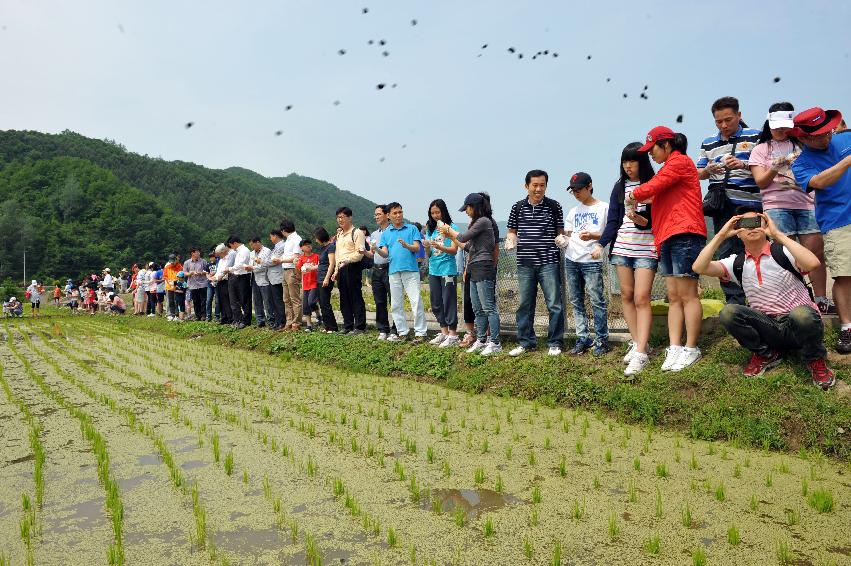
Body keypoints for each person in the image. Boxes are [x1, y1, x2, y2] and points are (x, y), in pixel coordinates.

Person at [692, 211, 834, 389]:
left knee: (801, 314)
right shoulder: (736, 263)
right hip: (768, 328)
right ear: (737, 231)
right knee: (728, 312)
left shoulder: (783, 252)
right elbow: (699, 267)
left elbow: (813, 263)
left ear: (766, 225)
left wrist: (777, 235)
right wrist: (721, 235)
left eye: (756, 221)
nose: (751, 227)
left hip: (798, 325)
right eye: (744, 223)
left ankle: (815, 359)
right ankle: (766, 354)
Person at [628, 126, 707, 372]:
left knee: (688, 295)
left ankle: (691, 348)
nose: (649, 154)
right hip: (667, 235)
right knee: (673, 296)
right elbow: (655, 193)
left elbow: (649, 188)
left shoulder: (680, 162)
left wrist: (634, 194)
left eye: (652, 149)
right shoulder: (668, 169)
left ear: (666, 145)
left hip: (685, 232)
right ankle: (674, 347)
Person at [749, 103, 831, 314]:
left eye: (785, 126)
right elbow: (760, 182)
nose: (781, 130)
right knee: (784, 255)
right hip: (776, 205)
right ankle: (792, 300)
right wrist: (776, 166)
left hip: (807, 203)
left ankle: (821, 298)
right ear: (769, 124)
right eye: (776, 126)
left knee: (814, 254)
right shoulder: (760, 149)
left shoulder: (804, 145)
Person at [791, 107, 851, 353]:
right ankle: (848, 328)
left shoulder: (845, 138)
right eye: (819, 135)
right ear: (803, 138)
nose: (826, 137)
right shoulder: (802, 164)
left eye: (828, 132)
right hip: (838, 221)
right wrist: (847, 161)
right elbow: (819, 182)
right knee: (844, 275)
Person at [594, 142, 657, 375]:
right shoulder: (619, 187)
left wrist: (643, 222)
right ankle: (639, 343)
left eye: (633, 161)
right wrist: (601, 244)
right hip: (621, 247)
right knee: (627, 296)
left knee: (642, 297)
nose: (629, 166)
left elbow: (654, 219)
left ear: (643, 162)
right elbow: (613, 221)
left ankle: (641, 353)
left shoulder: (652, 184)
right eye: (625, 161)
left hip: (646, 248)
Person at [696, 96, 762, 305]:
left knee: (755, 250)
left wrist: (743, 165)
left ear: (739, 115)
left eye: (728, 120)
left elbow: (766, 168)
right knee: (725, 253)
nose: (724, 125)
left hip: (750, 205)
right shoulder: (708, 142)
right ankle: (735, 302)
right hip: (722, 205)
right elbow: (698, 173)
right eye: (718, 121)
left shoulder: (756, 137)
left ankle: (760, 298)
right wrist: (708, 170)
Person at [505, 169, 565, 357]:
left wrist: (562, 239)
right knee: (524, 304)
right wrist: (511, 239)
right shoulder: (518, 207)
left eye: (542, 185)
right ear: (526, 186)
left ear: (546, 186)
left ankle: (555, 342)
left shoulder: (554, 206)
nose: (538, 189)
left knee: (554, 304)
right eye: (535, 185)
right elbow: (512, 230)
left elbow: (560, 231)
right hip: (524, 263)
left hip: (549, 262)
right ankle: (526, 342)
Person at [441, 193, 502, 355]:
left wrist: (449, 230)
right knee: (477, 308)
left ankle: (495, 342)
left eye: (467, 208)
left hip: (484, 266)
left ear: (474, 207)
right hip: (474, 267)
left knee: (489, 307)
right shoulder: (477, 223)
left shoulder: (483, 221)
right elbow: (466, 245)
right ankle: (481, 340)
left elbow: (462, 236)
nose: (466, 212)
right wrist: (450, 236)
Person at [561, 172, 610, 355]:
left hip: (592, 259)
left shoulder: (604, 208)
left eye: (579, 189)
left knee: (597, 300)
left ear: (589, 186)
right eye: (573, 191)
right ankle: (583, 338)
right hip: (572, 259)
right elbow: (568, 234)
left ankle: (602, 340)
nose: (576, 193)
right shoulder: (574, 211)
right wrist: (562, 240)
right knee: (576, 301)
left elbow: (611, 232)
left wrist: (593, 236)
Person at [375, 202, 427, 342]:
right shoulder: (386, 233)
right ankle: (402, 332)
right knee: (396, 304)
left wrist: (406, 245)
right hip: (393, 271)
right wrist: (376, 249)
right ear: (389, 216)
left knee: (416, 301)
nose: (398, 215)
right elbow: (385, 254)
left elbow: (417, 248)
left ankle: (420, 333)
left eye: (400, 212)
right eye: (395, 213)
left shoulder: (411, 229)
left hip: (411, 270)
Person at [423, 199, 460, 347]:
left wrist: (439, 246)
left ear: (443, 212)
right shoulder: (430, 229)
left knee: (448, 301)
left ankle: (453, 334)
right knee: (436, 302)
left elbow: (454, 250)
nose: (435, 215)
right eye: (432, 213)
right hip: (434, 270)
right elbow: (429, 254)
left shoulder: (451, 227)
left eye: (437, 212)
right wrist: (426, 246)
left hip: (447, 270)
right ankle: (444, 332)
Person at [333, 207, 367, 334]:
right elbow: (337, 254)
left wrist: (348, 260)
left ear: (350, 217)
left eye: (342, 217)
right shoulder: (339, 234)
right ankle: (348, 325)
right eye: (338, 217)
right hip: (341, 268)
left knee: (355, 296)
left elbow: (360, 253)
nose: (339, 220)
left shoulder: (357, 233)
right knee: (344, 298)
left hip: (352, 266)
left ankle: (360, 326)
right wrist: (336, 270)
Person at [363, 205, 394, 340]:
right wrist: (364, 251)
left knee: (394, 300)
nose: (376, 217)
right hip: (376, 269)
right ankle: (383, 329)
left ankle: (396, 328)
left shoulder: (393, 231)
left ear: (387, 215)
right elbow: (372, 254)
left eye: (379, 214)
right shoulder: (374, 234)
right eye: (375, 215)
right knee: (379, 300)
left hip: (390, 268)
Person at [279, 220, 303, 331]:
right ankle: (289, 321)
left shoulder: (297, 239)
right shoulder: (288, 240)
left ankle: (296, 323)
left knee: (295, 298)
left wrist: (281, 260)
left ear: (284, 230)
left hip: (293, 270)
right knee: (286, 298)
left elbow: (296, 257)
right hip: (285, 269)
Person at [314, 227, 339, 333]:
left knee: (325, 303)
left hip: (325, 278)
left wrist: (327, 278)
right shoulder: (323, 248)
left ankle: (333, 327)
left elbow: (331, 264)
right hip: (319, 278)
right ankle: (327, 326)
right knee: (321, 303)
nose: (315, 240)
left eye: (316, 238)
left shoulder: (330, 247)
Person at [243, 237, 273, 328]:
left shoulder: (267, 251)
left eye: (252, 244)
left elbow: (265, 266)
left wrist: (252, 268)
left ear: (258, 242)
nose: (251, 246)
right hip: (254, 278)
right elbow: (251, 265)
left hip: (265, 278)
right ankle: (260, 321)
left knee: (267, 301)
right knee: (256, 301)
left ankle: (271, 320)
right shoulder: (252, 253)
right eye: (250, 245)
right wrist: (248, 267)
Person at [225, 236, 252, 329]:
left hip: (243, 276)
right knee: (234, 300)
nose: (232, 248)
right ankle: (238, 319)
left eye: (231, 246)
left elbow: (240, 265)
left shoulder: (244, 250)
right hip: (235, 276)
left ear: (235, 243)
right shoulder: (238, 251)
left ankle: (246, 320)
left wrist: (229, 269)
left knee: (244, 299)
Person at [295, 239, 321, 331]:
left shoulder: (317, 256)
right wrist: (296, 265)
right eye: (306, 245)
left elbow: (321, 267)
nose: (308, 246)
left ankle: (318, 315)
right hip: (305, 284)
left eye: (309, 244)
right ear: (302, 248)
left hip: (314, 283)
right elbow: (298, 272)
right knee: (306, 305)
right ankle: (309, 326)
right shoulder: (301, 259)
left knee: (312, 302)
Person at [266, 230, 287, 330]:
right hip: (272, 277)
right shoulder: (276, 247)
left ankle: (282, 321)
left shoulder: (282, 246)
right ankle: (278, 320)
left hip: (277, 276)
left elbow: (273, 261)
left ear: (275, 236)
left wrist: (262, 262)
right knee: (274, 300)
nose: (270, 239)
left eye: (271, 236)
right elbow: (270, 260)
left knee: (278, 300)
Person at [210, 243, 234, 325]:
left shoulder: (229, 258)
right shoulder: (220, 261)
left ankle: (230, 318)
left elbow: (225, 271)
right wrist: (214, 278)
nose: (218, 256)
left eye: (219, 254)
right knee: (220, 301)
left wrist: (217, 277)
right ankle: (223, 318)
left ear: (223, 252)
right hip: (219, 282)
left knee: (227, 300)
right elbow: (218, 272)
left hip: (226, 281)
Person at [182, 248, 208, 321]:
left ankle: (203, 315)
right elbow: (184, 273)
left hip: (203, 283)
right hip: (192, 284)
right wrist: (190, 273)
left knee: (203, 300)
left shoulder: (203, 261)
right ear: (192, 253)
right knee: (195, 301)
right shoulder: (187, 262)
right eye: (197, 252)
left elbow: (207, 271)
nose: (198, 253)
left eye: (199, 252)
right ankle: (198, 315)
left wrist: (201, 272)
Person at [162, 254, 182, 320]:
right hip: (169, 286)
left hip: (176, 287)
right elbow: (165, 276)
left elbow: (181, 277)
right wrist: (169, 282)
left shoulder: (179, 267)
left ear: (176, 259)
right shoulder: (167, 267)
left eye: (173, 261)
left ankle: (177, 315)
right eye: (171, 261)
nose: (172, 262)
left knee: (177, 301)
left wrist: (175, 283)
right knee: (171, 301)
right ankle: (171, 315)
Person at [206, 251, 219, 322]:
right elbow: (206, 273)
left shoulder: (219, 263)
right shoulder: (208, 264)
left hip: (217, 283)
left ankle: (217, 316)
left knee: (217, 301)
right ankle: (208, 316)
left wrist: (215, 273)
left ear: (215, 257)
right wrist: (209, 277)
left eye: (212, 257)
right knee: (208, 300)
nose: (211, 258)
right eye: (210, 257)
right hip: (210, 284)